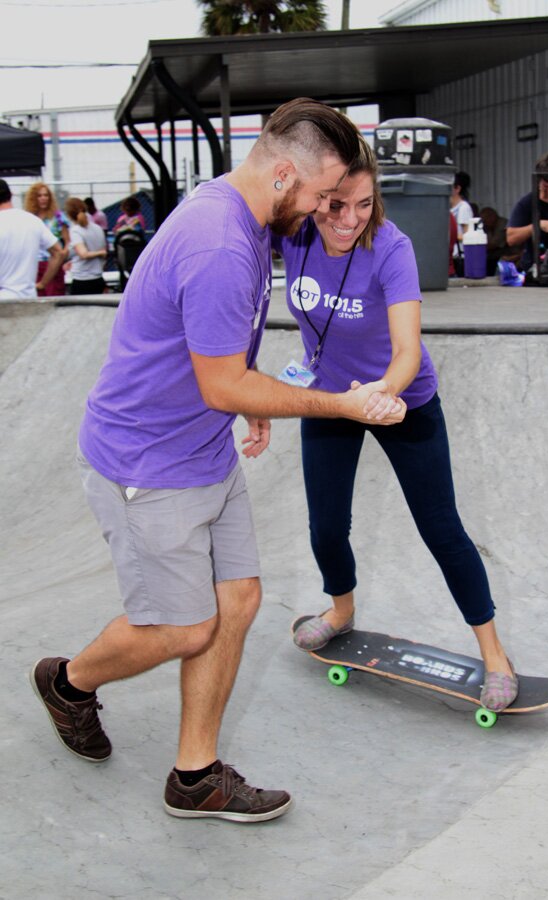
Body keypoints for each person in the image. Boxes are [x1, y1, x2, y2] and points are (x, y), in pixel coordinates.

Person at [29, 98, 406, 823]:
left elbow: (219, 354)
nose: (328, 211)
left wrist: (250, 397)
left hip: (200, 449)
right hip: (147, 463)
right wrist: (342, 404)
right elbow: (219, 378)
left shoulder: (230, 207)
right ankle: (68, 683)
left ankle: (194, 775)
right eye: (324, 196)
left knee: (236, 602)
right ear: (285, 174)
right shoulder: (221, 245)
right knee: (183, 627)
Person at [271, 137, 518, 714]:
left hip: (402, 401)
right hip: (332, 401)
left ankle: (495, 654)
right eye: (335, 204)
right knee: (326, 526)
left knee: (441, 527)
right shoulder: (296, 235)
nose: (349, 219)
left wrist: (382, 394)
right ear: (315, 195)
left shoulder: (392, 247)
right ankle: (341, 611)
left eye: (363, 203)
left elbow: (408, 349)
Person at [0, 179, 64, 299]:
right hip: (28, 297)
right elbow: (58, 252)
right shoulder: (32, 220)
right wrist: (42, 283)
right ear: (11, 194)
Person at [23, 181, 69, 296]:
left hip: (53, 265)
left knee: (54, 297)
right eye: (39, 195)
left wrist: (63, 254)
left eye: (46, 195)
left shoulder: (58, 217)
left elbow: (68, 241)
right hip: (33, 265)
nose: (43, 198)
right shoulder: (28, 218)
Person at [64, 197, 108, 295]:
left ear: (69, 215)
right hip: (98, 277)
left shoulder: (75, 230)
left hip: (82, 280)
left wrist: (100, 252)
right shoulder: (98, 228)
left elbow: (83, 254)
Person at [479, 206, 519, 276]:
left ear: (492, 217)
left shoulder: (503, 224)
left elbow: (495, 244)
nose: (484, 223)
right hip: (496, 255)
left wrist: (478, 247)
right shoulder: (488, 227)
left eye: (485, 220)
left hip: (511, 254)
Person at [449, 171, 474, 270]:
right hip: (452, 255)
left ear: (457, 188)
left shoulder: (463, 208)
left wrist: (451, 236)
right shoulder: (451, 208)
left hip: (459, 257)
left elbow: (467, 235)